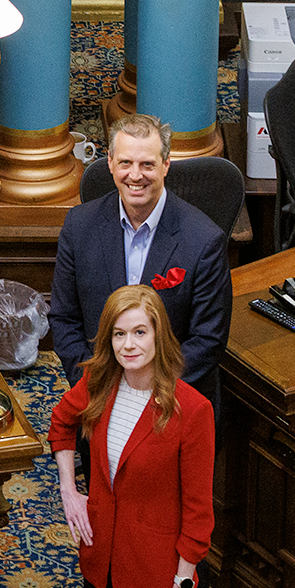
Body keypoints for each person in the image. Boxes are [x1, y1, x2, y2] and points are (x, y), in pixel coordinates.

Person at [49, 286, 215, 588]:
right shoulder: (99, 385)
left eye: (140, 332)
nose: (129, 344)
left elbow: (199, 513)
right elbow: (61, 424)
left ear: (159, 335)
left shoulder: (192, 410)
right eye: (119, 334)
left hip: (158, 581)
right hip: (101, 568)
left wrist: (182, 586)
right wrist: (70, 489)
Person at [49, 112, 231, 409]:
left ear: (166, 165)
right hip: (97, 396)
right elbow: (64, 319)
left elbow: (208, 340)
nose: (136, 175)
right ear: (110, 163)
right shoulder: (79, 226)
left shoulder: (204, 240)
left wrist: (145, 393)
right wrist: (96, 387)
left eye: (147, 164)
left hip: (170, 402)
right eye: (126, 163)